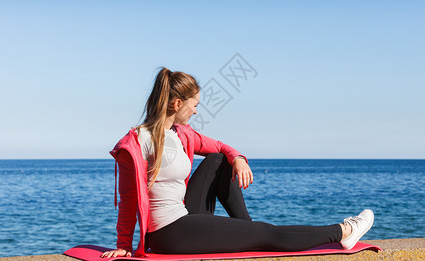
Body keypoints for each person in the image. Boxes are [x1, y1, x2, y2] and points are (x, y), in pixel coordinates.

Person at [101, 67, 374, 258]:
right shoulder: (138, 142)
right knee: (269, 233)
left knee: (220, 160)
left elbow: (220, 147)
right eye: (193, 104)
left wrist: (239, 159)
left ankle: (249, 229)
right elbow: (127, 200)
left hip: (185, 216)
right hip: (167, 233)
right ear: (176, 103)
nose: (196, 110)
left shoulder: (181, 134)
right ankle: (344, 230)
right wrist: (124, 244)